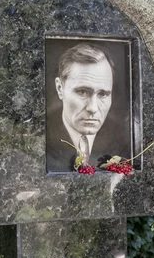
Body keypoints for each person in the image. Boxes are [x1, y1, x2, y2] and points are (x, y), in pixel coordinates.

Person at [46, 42, 130, 172]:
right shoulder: (38, 134)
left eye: (103, 94)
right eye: (82, 92)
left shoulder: (124, 140)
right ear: (60, 88)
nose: (93, 108)